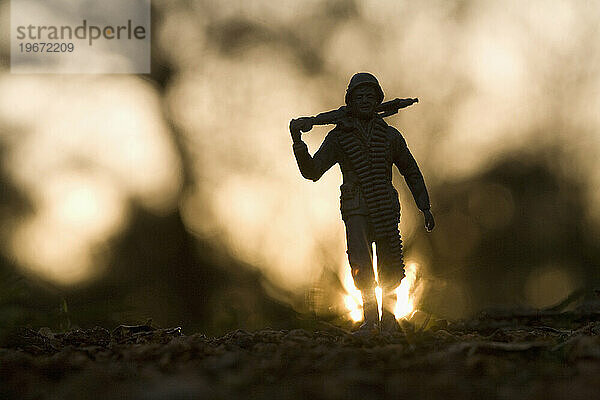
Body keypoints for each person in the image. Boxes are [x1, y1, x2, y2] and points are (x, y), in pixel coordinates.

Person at [290, 72, 435, 332]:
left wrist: (424, 206)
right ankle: (370, 318)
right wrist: (298, 142)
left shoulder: (390, 137)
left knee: (390, 260)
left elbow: (411, 171)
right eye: (360, 96)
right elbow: (312, 171)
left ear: (379, 100)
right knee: (361, 263)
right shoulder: (339, 137)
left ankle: (390, 319)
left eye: (371, 96)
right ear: (350, 101)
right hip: (356, 206)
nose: (366, 101)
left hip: (385, 207)